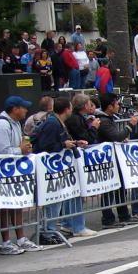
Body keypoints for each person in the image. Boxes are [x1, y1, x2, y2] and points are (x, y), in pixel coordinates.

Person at [0, 96, 44, 254]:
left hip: (14, 170)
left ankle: (20, 239)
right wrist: (20, 150)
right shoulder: (2, 125)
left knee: (18, 204)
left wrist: (23, 149)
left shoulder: (15, 123)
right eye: (23, 108)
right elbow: (1, 150)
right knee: (6, 207)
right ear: (15, 109)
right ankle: (6, 242)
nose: (26, 110)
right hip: (3, 171)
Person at [36, 97, 96, 239]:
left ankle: (55, 229)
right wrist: (64, 145)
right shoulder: (52, 123)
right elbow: (46, 145)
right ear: (67, 109)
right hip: (51, 168)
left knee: (60, 198)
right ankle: (48, 231)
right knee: (53, 200)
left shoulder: (56, 121)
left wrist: (74, 143)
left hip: (58, 167)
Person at [96, 92, 138, 227]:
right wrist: (130, 125)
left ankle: (124, 214)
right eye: (117, 104)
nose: (119, 107)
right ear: (110, 106)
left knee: (120, 188)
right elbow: (116, 136)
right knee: (108, 191)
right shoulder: (103, 121)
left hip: (115, 159)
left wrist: (123, 136)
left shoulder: (109, 118)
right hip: (108, 160)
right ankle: (108, 219)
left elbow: (117, 136)